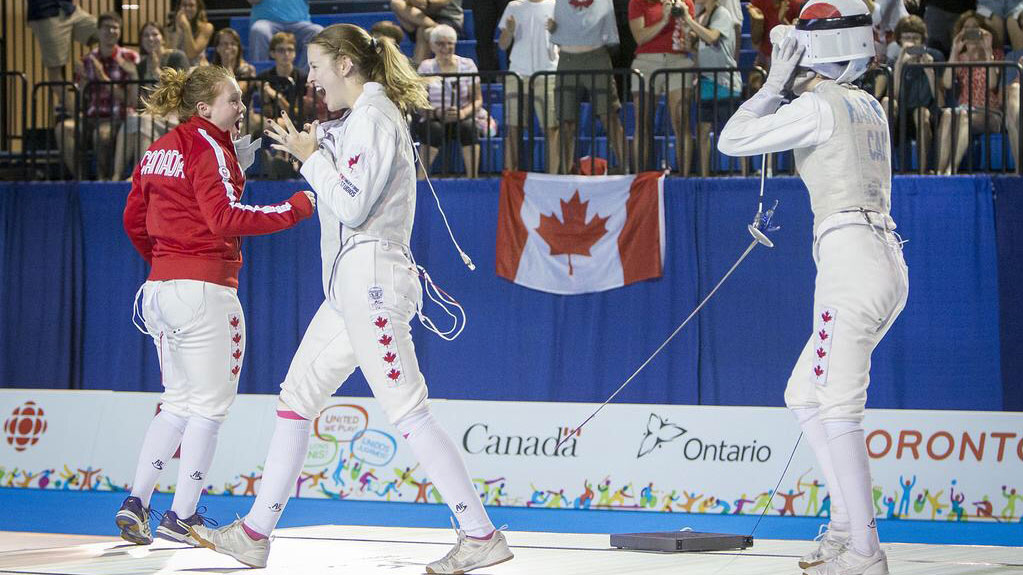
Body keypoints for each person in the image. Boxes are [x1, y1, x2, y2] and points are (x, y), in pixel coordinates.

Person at [186, 24, 514, 575]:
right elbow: (341, 179)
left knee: (409, 410)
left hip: (372, 283)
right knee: (294, 397)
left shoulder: (377, 118)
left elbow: (353, 205)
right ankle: (254, 533)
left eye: (315, 64)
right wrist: (309, 147)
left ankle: (479, 534)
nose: (310, 76)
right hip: (347, 292)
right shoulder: (357, 123)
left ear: (343, 64)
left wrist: (314, 156)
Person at [718, 0, 908, 573]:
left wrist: (774, 84)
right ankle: (847, 526)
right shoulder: (867, 102)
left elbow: (732, 139)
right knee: (804, 394)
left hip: (851, 263)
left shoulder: (821, 106)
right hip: (884, 261)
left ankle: (865, 552)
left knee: (838, 408)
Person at [116, 65, 315, 547]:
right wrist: (298, 207)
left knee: (178, 402)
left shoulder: (159, 149)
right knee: (209, 410)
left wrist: (168, 263)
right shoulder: (206, 147)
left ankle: (136, 503)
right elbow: (224, 217)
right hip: (204, 289)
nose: (242, 108)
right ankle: (182, 516)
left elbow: (132, 220)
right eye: (234, 100)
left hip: (161, 291)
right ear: (204, 108)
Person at [55, 11, 139, 180]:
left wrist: (103, 78)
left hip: (118, 117)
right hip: (91, 116)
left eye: (115, 28)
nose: (111, 32)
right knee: (62, 129)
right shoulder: (87, 60)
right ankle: (82, 179)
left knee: (101, 134)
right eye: (107, 27)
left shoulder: (129, 57)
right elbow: (83, 97)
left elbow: (131, 100)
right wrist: (84, 81)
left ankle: (103, 179)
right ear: (98, 31)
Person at [549, 0, 628, 173]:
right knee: (566, 121)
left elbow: (611, 34)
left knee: (609, 116)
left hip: (597, 56)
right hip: (568, 57)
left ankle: (627, 168)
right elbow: (551, 24)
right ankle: (565, 171)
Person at [113, 20, 190, 180]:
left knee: (144, 121)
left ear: (162, 38)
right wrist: (134, 75)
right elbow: (137, 103)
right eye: (146, 35)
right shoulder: (140, 65)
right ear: (141, 41)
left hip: (175, 117)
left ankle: (142, 174)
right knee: (132, 120)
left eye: (155, 34)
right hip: (151, 115)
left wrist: (156, 70)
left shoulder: (176, 57)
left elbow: (178, 93)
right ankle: (116, 175)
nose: (150, 38)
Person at [628, 0, 696, 174]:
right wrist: (664, 20)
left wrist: (687, 25)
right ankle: (640, 178)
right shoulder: (637, 2)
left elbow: (691, 43)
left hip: (678, 60)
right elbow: (640, 37)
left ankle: (685, 178)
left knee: (682, 120)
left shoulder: (685, 2)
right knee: (642, 122)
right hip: (646, 61)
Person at [498, 0, 560, 173]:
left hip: (548, 73)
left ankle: (553, 177)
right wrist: (509, 30)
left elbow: (564, 40)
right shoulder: (513, 6)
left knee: (552, 128)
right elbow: (503, 45)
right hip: (518, 73)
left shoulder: (555, 5)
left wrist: (556, 30)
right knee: (513, 128)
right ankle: (511, 177)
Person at [937, 12, 1004, 173]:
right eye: (966, 28)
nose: (970, 31)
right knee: (947, 115)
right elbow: (946, 83)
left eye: (975, 27)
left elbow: (992, 84)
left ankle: (951, 169)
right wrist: (954, 50)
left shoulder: (996, 54)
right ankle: (939, 171)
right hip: (964, 109)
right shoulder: (961, 57)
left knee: (963, 116)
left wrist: (987, 50)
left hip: (990, 113)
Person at [416, 24, 486, 178]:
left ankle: (472, 179)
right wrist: (436, 112)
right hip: (433, 118)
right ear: (432, 46)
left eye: (449, 43)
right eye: (440, 44)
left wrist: (462, 113)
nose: (445, 47)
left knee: (469, 127)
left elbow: (478, 99)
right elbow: (419, 102)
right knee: (432, 129)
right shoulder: (426, 67)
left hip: (461, 117)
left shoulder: (468, 65)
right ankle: (420, 180)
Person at [686, 0, 744, 176]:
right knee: (703, 130)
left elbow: (712, 37)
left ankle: (743, 175)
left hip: (725, 81)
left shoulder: (722, 14)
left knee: (735, 130)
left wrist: (688, 19)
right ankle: (704, 176)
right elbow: (700, 47)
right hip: (706, 82)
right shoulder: (702, 16)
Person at [26, 0, 97, 108]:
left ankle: (85, 70)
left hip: (69, 9)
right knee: (55, 72)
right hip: (46, 14)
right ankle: (75, 115)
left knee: (105, 30)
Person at [247, 0, 323, 68]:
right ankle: (261, 78)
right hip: (266, 21)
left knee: (317, 32)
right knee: (259, 30)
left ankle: (303, 78)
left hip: (299, 22)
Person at [390, 0, 465, 64]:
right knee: (396, 2)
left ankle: (417, 71)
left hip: (448, 19)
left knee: (424, 31)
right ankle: (438, 28)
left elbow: (439, 3)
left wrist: (424, 2)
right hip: (421, 19)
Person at [164, 0, 213, 68]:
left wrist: (186, 27)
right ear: (179, 7)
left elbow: (191, 54)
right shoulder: (168, 30)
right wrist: (178, 31)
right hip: (176, 70)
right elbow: (169, 56)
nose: (187, 8)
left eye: (191, 5)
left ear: (197, 8)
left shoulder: (206, 28)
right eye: (184, 5)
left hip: (196, 69)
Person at [211, 29, 257, 99]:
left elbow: (236, 94)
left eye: (233, 44)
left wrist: (228, 64)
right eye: (225, 44)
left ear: (238, 48)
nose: (229, 47)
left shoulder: (248, 69)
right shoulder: (211, 71)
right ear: (217, 48)